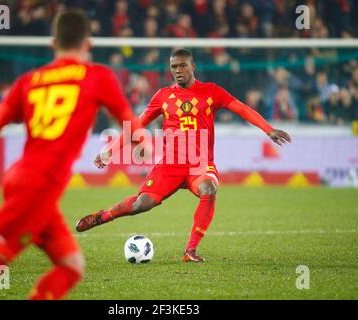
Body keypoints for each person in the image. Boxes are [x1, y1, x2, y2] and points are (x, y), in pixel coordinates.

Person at [0, 9, 138, 300]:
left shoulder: (30, 80)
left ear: (53, 45)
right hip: (38, 186)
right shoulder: (98, 77)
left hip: (21, 178)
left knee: (72, 265)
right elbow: (132, 125)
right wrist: (146, 142)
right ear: (88, 44)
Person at [76, 48, 291, 262]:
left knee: (209, 189)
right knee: (140, 205)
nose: (178, 70)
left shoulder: (211, 91)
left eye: (182, 66)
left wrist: (267, 128)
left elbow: (241, 108)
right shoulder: (163, 96)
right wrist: (109, 151)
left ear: (192, 66)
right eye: (173, 67)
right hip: (171, 164)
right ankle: (101, 217)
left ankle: (190, 251)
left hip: (200, 164)